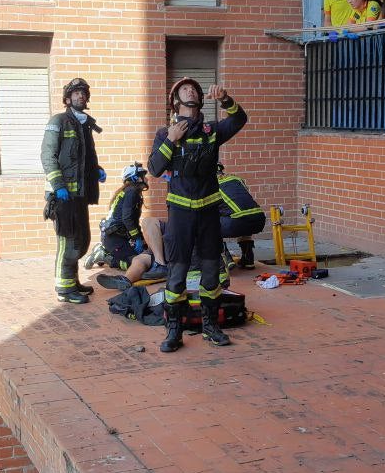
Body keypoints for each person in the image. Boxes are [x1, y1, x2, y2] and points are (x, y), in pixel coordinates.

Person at [148, 78, 248, 351]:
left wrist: (226, 100)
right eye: (184, 89)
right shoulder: (164, 134)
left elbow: (239, 119)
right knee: (177, 274)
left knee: (211, 273)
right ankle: (174, 332)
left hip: (208, 215)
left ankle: (210, 327)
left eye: (194, 88)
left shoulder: (211, 130)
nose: (191, 90)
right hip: (180, 215)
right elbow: (155, 169)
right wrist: (171, 139)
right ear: (175, 100)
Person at [41, 77, 105, 304]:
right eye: (76, 93)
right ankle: (64, 288)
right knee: (67, 242)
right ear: (68, 98)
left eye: (83, 93)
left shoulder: (84, 123)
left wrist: (96, 169)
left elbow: (83, 157)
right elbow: (47, 156)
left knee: (82, 240)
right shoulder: (59, 121)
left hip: (79, 194)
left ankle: (73, 281)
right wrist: (59, 186)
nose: (80, 96)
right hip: (63, 195)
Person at [96, 163, 169, 289]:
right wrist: (137, 238)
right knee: (130, 261)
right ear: (135, 178)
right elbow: (127, 218)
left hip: (118, 236)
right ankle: (105, 256)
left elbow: (131, 221)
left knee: (141, 257)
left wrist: (140, 239)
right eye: (143, 176)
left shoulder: (130, 191)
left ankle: (124, 280)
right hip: (115, 238)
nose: (146, 179)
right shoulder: (132, 191)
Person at [217, 164, 265, 269]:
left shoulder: (209, 184)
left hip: (236, 223)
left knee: (207, 224)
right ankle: (248, 258)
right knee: (244, 214)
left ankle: (226, 259)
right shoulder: (235, 178)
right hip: (258, 220)